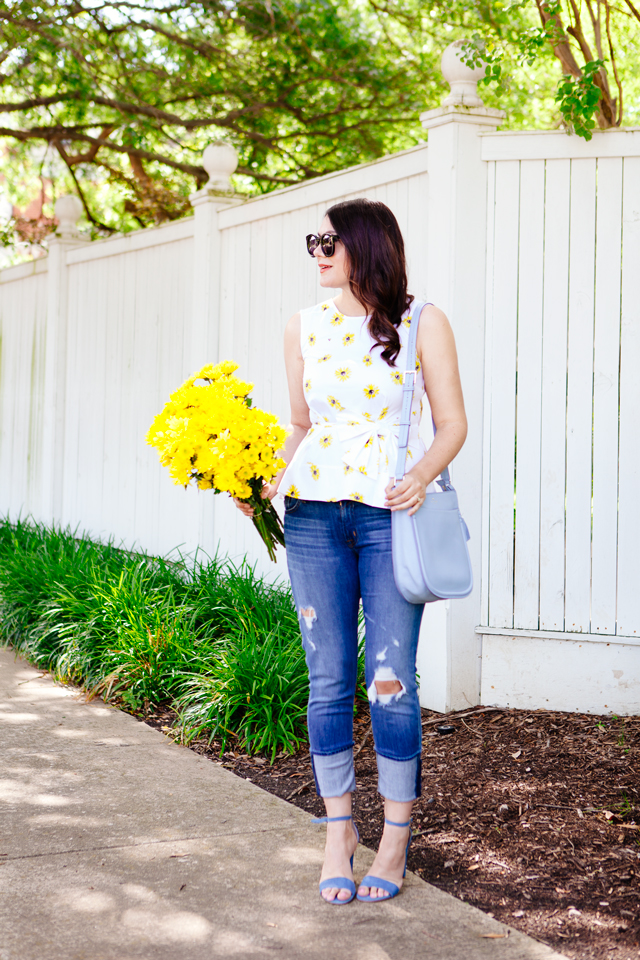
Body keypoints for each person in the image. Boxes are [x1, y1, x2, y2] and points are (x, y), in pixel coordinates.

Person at [235, 198, 467, 904]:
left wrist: (421, 478)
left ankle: (394, 836)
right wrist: (262, 482)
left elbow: (454, 424)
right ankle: (340, 829)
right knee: (328, 679)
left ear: (366, 246)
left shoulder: (423, 321)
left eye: (328, 240)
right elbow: (301, 424)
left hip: (387, 519)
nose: (317, 251)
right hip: (310, 517)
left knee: (390, 682)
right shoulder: (300, 327)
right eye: (313, 240)